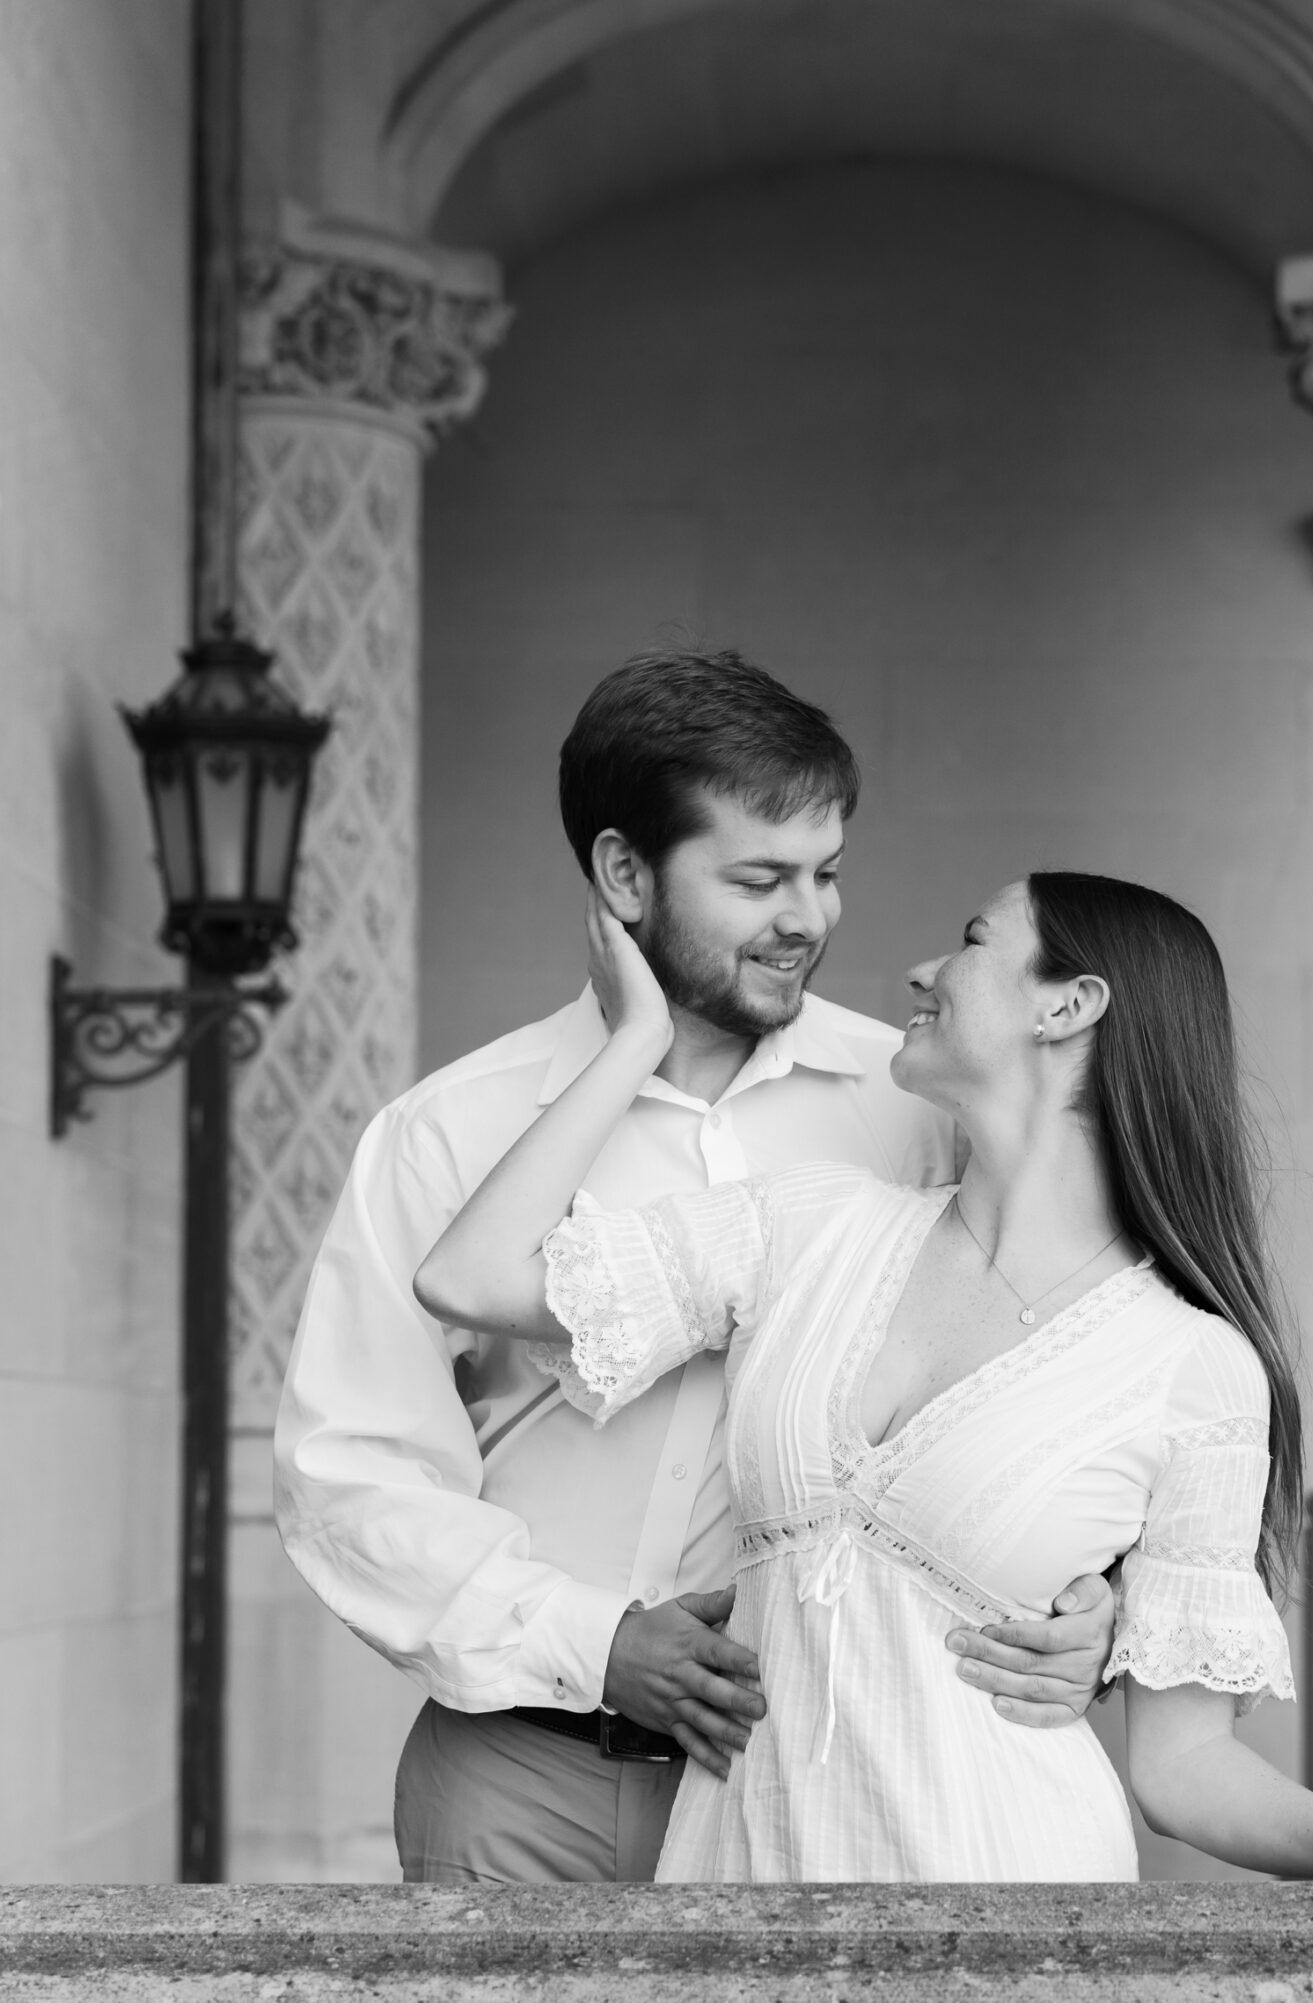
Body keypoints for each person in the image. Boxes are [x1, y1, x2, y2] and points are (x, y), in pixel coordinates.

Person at [416, 867, 1313, 1896]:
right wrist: (629, 1039)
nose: (917, 972)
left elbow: (1181, 1771)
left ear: (1069, 1007)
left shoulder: (1195, 1372)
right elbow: (469, 1273)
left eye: (968, 944)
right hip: (737, 1897)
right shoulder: (808, 1228)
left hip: (1006, 1908)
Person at [274, 651, 1116, 1885]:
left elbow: (1061, 1379)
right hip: (521, 1786)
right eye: (758, 879)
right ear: (625, 873)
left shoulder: (918, 1113)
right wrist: (593, 1641)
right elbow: (349, 1473)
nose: (811, 920)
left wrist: (1092, 1597)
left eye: (825, 874)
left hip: (826, 1785)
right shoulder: (447, 1134)